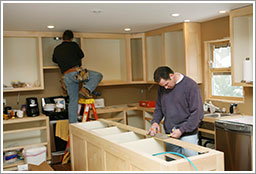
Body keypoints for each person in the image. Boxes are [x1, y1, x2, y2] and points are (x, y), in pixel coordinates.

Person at [147, 66, 204, 158]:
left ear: (171, 75)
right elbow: (159, 107)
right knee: (172, 163)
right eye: (162, 86)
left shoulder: (191, 86)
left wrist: (182, 130)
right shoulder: (162, 88)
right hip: (170, 133)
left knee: (190, 163)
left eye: (166, 84)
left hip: (187, 134)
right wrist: (155, 122)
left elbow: (197, 114)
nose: (165, 88)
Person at [52, 30, 103, 123]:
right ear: (71, 38)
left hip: (66, 76)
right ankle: (86, 89)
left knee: (73, 101)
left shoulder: (57, 49)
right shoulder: (74, 45)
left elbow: (54, 60)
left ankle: (73, 125)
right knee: (98, 75)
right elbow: (82, 55)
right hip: (76, 73)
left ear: (63, 38)